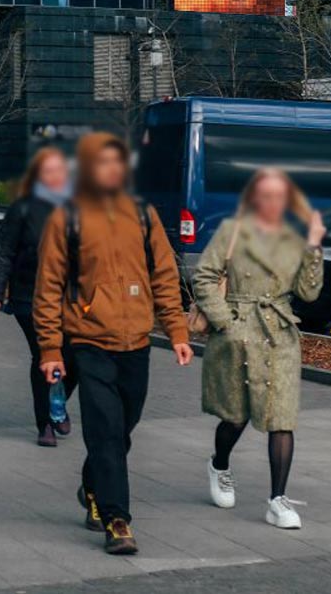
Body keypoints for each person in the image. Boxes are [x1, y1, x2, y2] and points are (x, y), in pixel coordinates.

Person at [33, 131, 193, 557]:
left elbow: (164, 275)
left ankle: (91, 486)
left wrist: (177, 332)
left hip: (136, 341)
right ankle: (117, 519)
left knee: (122, 430)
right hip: (89, 340)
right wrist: (51, 350)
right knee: (105, 432)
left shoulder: (142, 214)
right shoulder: (67, 216)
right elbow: (48, 287)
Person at [193, 166, 326, 531]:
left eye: (279, 196)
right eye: (265, 195)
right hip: (238, 332)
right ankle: (219, 464)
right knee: (235, 415)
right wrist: (227, 323)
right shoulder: (231, 232)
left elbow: (309, 292)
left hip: (279, 334)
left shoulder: (292, 239)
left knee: (281, 418)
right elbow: (203, 276)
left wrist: (314, 246)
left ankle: (277, 500)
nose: (272, 203)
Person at [0, 146, 78, 446]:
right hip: (29, 297)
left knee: (73, 359)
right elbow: (3, 250)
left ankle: (57, 403)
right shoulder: (23, 208)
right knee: (44, 356)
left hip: (71, 299)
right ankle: (45, 423)